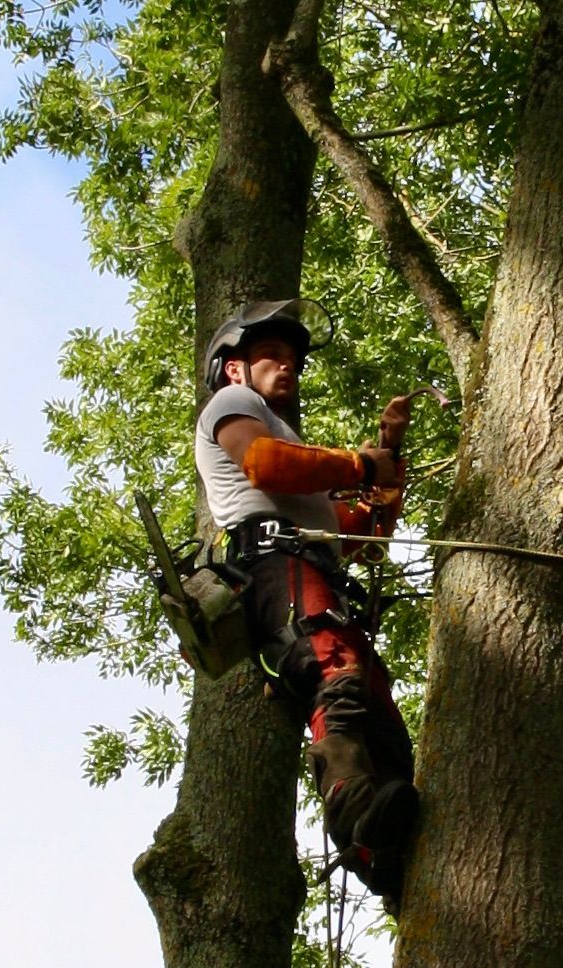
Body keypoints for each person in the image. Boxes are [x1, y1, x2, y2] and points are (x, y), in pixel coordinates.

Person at [194, 298, 419, 906]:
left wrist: (386, 456)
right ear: (235, 369)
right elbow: (265, 464)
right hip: (276, 566)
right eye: (271, 355)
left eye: (293, 358)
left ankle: (385, 854)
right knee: (333, 666)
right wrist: (357, 463)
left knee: (377, 709)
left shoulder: (305, 474)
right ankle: (350, 801)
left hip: (314, 568)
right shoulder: (233, 406)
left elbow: (365, 536)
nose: (286, 365)